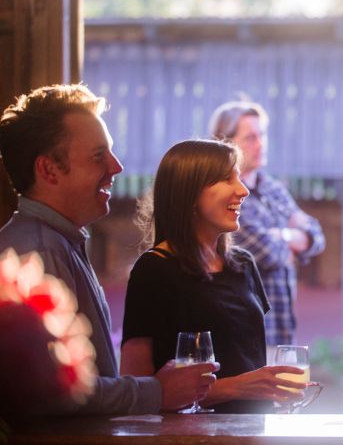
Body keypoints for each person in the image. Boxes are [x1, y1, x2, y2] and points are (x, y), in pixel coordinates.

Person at [0, 84, 216, 415]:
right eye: (98, 156)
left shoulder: (58, 241)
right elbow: (55, 395)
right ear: (48, 169)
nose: (116, 167)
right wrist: (158, 392)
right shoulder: (37, 254)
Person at [120, 139, 310, 413]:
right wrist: (240, 387)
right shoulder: (154, 269)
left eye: (239, 177)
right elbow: (139, 386)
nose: (242, 190)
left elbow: (246, 358)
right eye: (225, 179)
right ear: (189, 192)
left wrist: (270, 385)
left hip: (252, 433)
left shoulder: (242, 264)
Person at [208, 101, 325, 351]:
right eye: (250, 137)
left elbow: (316, 236)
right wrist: (293, 240)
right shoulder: (223, 195)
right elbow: (266, 253)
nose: (260, 144)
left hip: (282, 332)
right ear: (226, 143)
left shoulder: (272, 188)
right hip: (243, 337)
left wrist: (280, 235)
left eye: (262, 135)